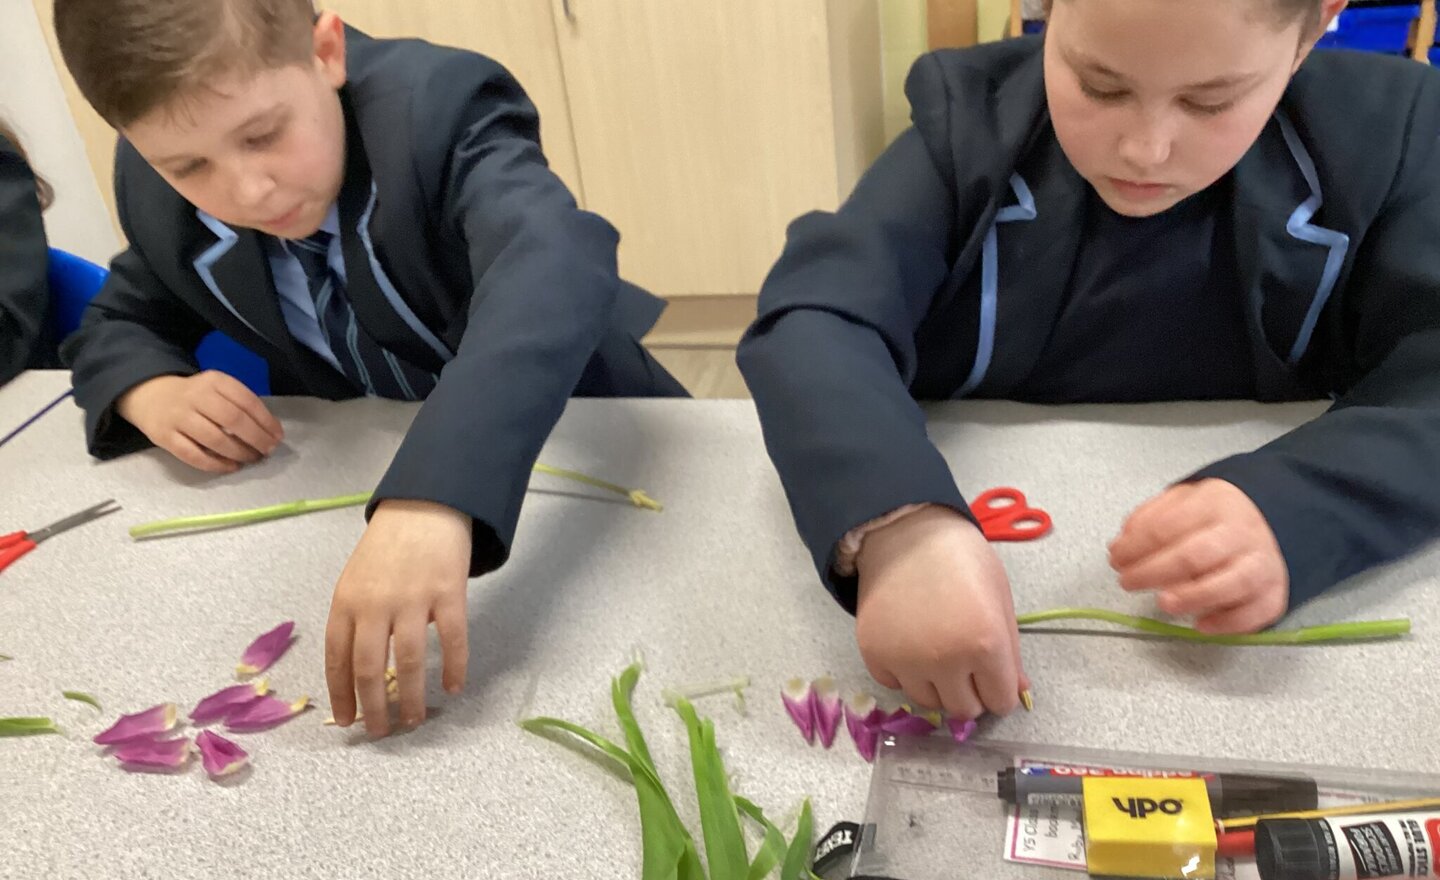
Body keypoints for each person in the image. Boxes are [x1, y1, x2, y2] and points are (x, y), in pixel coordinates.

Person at [738, 0, 1440, 721]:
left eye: (1211, 101)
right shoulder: (967, 125)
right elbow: (816, 317)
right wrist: (896, 524)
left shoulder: (1395, 133)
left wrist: (1311, 502)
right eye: (1101, 86)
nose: (1146, 149)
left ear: (1313, 29)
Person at [52, 0, 687, 737]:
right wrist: (147, 388)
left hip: (589, 437)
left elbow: (552, 264)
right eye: (189, 166)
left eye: (263, 135)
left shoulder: (440, 108)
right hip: (370, 453)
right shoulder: (157, 186)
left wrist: (435, 494)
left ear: (325, 52)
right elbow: (123, 317)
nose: (245, 192)